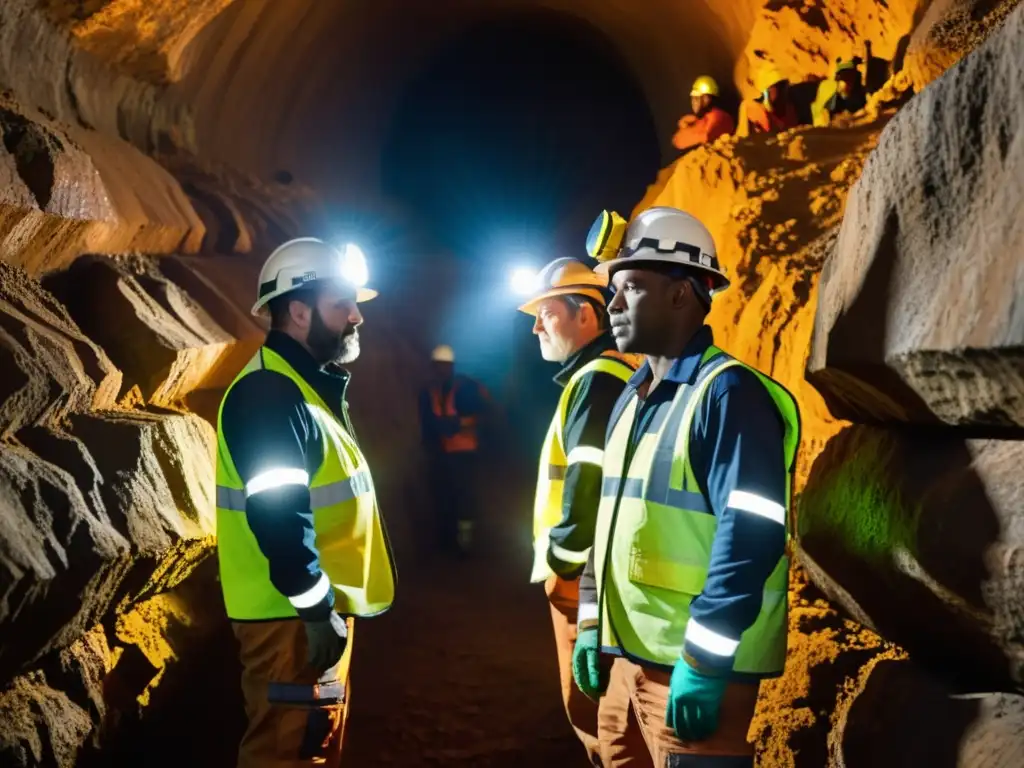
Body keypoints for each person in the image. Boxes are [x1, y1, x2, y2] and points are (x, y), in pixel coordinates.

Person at [572, 207, 800, 766]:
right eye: (612, 290)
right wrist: (590, 620)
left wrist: (703, 661)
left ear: (682, 294)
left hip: (690, 673)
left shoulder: (728, 395)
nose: (613, 304)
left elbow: (751, 534)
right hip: (624, 663)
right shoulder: (634, 393)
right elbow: (610, 521)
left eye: (630, 287)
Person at [215, 238, 397, 767]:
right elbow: (278, 515)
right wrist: (316, 606)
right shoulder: (272, 394)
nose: (357, 316)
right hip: (290, 621)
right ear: (298, 310)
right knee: (288, 754)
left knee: (311, 749)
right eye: (343, 304)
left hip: (303, 615)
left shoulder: (300, 389)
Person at [518, 255, 642, 765]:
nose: (535, 328)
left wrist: (564, 562)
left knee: (596, 718)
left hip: (582, 577)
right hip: (594, 573)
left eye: (546, 313)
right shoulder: (607, 374)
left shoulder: (598, 378)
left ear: (586, 315)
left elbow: (587, 479)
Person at [418, 344, 491, 557]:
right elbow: (426, 420)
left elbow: (482, 414)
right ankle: (447, 540)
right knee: (443, 496)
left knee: (464, 496)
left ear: (451, 367)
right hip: (440, 454)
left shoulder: (465, 387)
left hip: (463, 452)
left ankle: (466, 541)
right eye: (438, 366)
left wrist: (458, 423)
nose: (441, 370)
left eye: (445, 366)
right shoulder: (429, 390)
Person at [671, 75, 736, 152]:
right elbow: (677, 141)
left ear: (706, 99)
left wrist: (686, 130)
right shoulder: (705, 118)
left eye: (696, 98)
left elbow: (704, 137)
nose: (693, 103)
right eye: (692, 98)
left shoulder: (718, 117)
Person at [737, 68, 800, 137]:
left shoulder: (789, 109)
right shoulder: (750, 107)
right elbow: (742, 136)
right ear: (766, 92)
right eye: (777, 87)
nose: (783, 91)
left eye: (783, 86)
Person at [812, 58, 868, 126]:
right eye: (845, 76)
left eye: (850, 76)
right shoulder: (831, 89)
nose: (848, 82)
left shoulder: (859, 92)